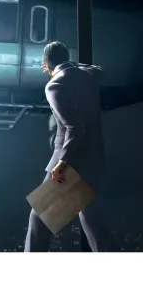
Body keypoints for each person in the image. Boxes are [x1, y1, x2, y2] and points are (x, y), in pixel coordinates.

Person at [24, 41, 108, 252]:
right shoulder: (88, 76)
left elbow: (75, 127)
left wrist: (61, 164)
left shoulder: (55, 86)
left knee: (39, 220)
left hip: (72, 164)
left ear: (45, 63)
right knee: (93, 226)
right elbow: (98, 69)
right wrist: (68, 65)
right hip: (95, 161)